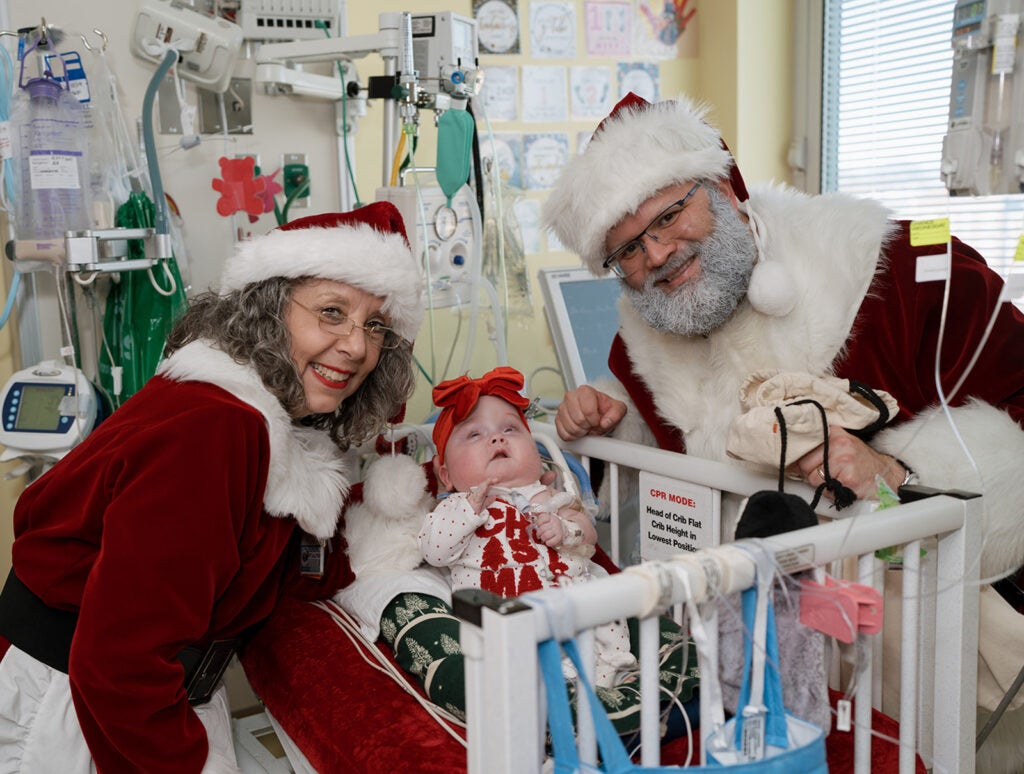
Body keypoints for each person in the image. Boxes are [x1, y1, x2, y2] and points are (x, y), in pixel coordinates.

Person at [0, 202, 423, 773]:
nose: (356, 346)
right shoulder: (215, 429)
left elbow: (263, 570)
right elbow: (118, 661)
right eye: (331, 312)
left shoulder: (272, 424)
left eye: (374, 325)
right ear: (267, 310)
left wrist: (404, 534)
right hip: (79, 708)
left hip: (155, 696)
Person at [543, 92, 1024, 582]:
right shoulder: (641, 345)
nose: (658, 253)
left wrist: (898, 473)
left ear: (724, 191)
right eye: (628, 249)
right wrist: (608, 423)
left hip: (929, 608)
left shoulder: (910, 276)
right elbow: (639, 456)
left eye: (668, 217)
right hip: (742, 614)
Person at [418, 365, 637, 687]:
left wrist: (565, 530)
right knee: (497, 655)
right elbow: (435, 552)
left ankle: (610, 673)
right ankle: (541, 689)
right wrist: (468, 511)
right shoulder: (454, 507)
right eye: (474, 434)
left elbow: (588, 537)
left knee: (606, 612)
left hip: (572, 605)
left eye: (510, 430)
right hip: (507, 612)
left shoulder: (554, 496)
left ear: (535, 455)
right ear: (447, 475)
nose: (496, 438)